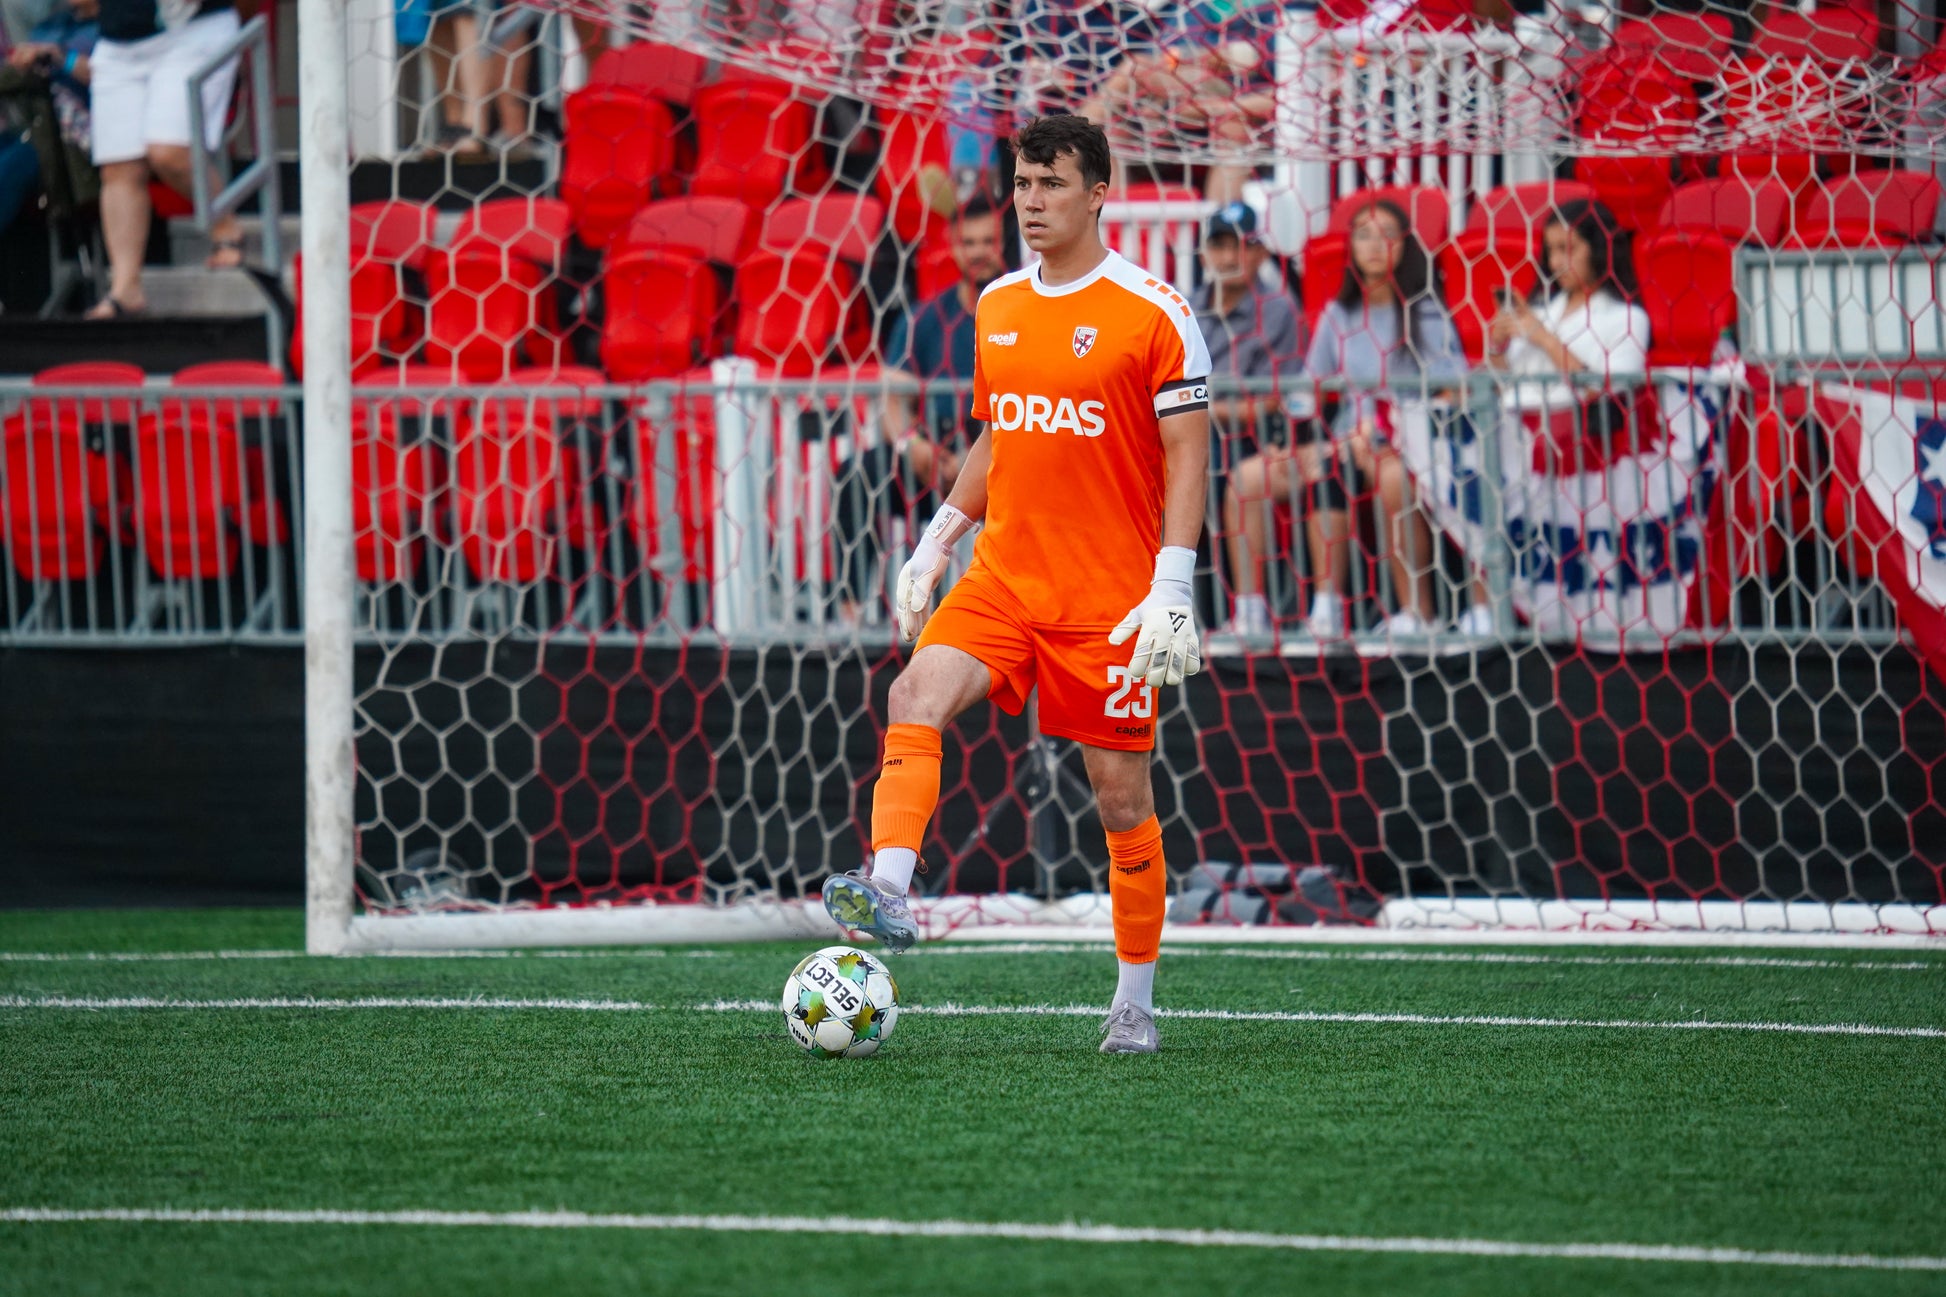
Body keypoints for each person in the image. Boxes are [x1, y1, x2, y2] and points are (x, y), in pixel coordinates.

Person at [821, 114, 1212, 1055]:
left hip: (1107, 600)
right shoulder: (995, 306)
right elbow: (1001, 435)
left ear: (1098, 190)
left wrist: (1173, 585)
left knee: (1121, 802)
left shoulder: (1157, 313)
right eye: (1022, 186)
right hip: (1004, 575)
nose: (1031, 203)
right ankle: (891, 891)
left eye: (1051, 185)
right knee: (912, 689)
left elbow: (1190, 455)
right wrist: (935, 541)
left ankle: (1134, 1002)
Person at [1224, 198, 1469, 640]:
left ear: (1405, 246)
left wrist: (1398, 427)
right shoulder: (1339, 315)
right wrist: (1288, 440)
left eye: (1386, 234)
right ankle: (1255, 614)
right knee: (1248, 478)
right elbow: (1305, 392)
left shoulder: (1426, 313)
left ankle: (1419, 613)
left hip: (1404, 444)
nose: (1375, 245)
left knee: (1393, 478)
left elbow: (1457, 390)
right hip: (1340, 444)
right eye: (1363, 235)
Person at [831, 193, 1005, 622]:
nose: (979, 251)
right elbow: (894, 401)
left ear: (1005, 243)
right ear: (953, 246)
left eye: (989, 241)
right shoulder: (926, 318)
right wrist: (912, 446)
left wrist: (978, 460)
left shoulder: (1021, 309)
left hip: (1002, 459)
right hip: (934, 455)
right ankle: (851, 624)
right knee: (858, 475)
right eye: (970, 242)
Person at [85, 0, 249, 318]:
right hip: (118, 40)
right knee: (119, 167)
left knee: (169, 152)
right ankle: (125, 288)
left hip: (193, 29)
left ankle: (225, 225)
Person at [1487, 197, 1648, 426]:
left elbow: (1612, 395)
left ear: (1599, 248)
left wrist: (1546, 340)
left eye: (1567, 249)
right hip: (1512, 435)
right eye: (1551, 251)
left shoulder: (1628, 318)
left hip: (1575, 443)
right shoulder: (1539, 313)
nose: (1555, 262)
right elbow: (1501, 384)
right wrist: (1498, 346)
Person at [0, 0, 97, 235]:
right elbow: (12, 72)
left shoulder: (115, 29)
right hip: (38, 129)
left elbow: (101, 74)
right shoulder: (51, 25)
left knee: (9, 168)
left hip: (79, 142)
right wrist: (21, 65)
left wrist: (59, 58)